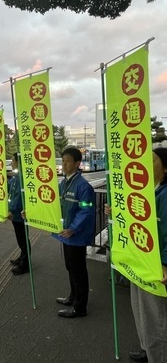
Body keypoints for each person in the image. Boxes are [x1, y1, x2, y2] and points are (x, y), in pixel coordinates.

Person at [105, 147, 167, 363]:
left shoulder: (164, 195)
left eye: (153, 161)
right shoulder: (143, 191)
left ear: (165, 169)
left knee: (154, 317)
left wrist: (165, 263)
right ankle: (146, 349)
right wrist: (117, 212)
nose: (145, 164)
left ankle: (157, 356)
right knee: (139, 310)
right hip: (138, 260)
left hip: (154, 266)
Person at [52, 147, 96, 318]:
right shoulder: (64, 182)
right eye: (62, 160)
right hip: (66, 235)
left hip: (75, 236)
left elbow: (86, 211)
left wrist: (73, 228)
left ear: (77, 164)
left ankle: (80, 307)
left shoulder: (83, 186)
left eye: (67, 161)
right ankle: (73, 297)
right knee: (70, 268)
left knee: (78, 271)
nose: (63, 164)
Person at [7, 153, 31, 275]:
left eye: (12, 160)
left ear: (19, 162)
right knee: (21, 238)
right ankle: (22, 258)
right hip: (16, 215)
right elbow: (10, 192)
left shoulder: (22, 178)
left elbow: (19, 199)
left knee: (23, 240)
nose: (11, 163)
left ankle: (25, 264)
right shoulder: (16, 177)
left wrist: (12, 210)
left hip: (20, 215)